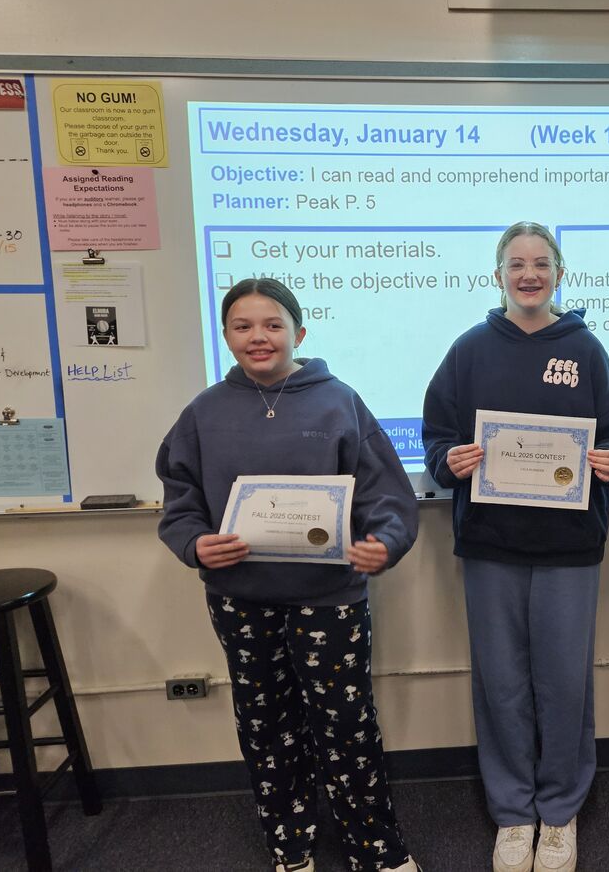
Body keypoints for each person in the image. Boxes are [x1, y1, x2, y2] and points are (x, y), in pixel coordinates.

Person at [156, 278, 422, 872]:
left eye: (273, 325)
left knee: (347, 724)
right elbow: (180, 499)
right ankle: (290, 842)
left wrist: (385, 542)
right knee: (265, 724)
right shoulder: (202, 412)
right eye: (243, 326)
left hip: (329, 598)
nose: (259, 336)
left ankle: (375, 848)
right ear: (226, 336)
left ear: (298, 333)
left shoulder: (339, 401)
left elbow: (386, 494)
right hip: (240, 598)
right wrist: (194, 543)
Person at [422, 222, 609, 872]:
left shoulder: (586, 349)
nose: (528, 274)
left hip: (569, 546)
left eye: (540, 263)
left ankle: (560, 809)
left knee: (564, 683)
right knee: (502, 683)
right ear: (497, 276)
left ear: (558, 273)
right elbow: (436, 437)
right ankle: (514, 813)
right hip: (491, 544)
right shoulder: (468, 350)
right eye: (515, 264)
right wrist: (448, 460)